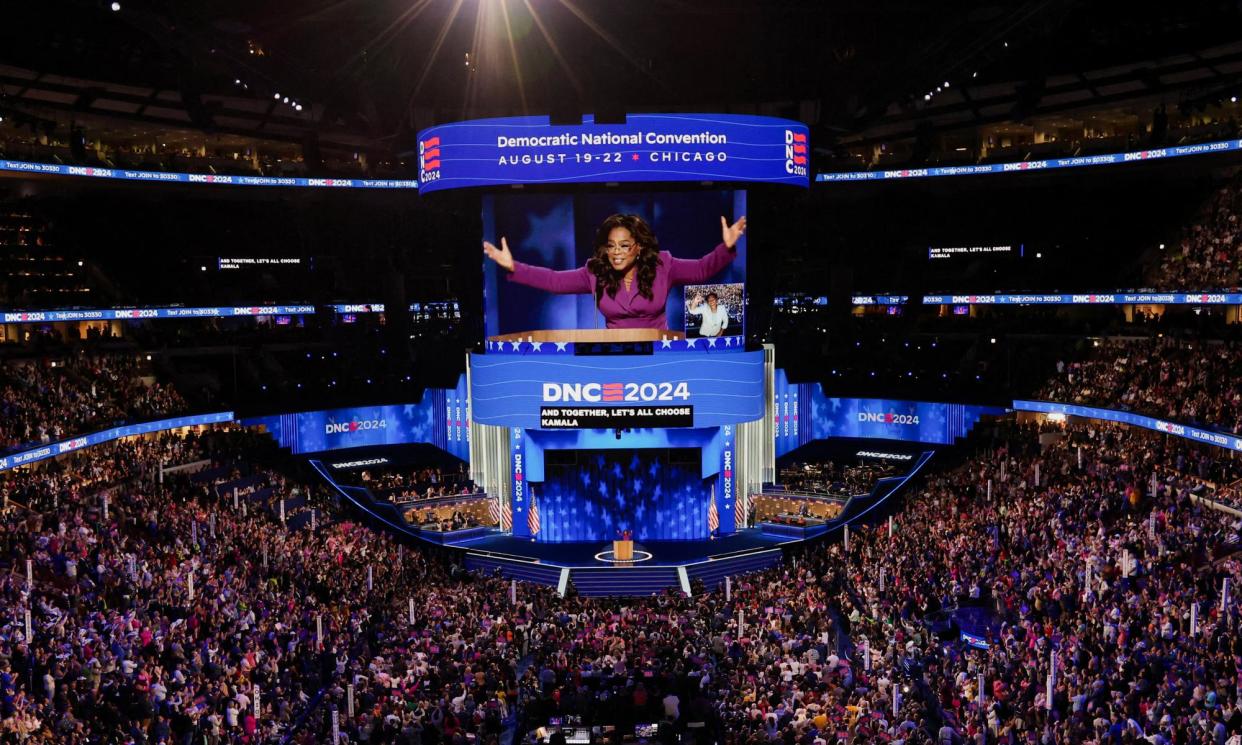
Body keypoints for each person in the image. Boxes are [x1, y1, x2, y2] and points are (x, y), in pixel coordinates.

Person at [482, 213, 745, 330]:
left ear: (639, 248)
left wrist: (727, 246)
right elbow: (554, 281)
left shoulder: (664, 264)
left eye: (624, 245)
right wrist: (514, 266)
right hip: (616, 354)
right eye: (611, 246)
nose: (616, 252)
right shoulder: (595, 272)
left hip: (659, 354)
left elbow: (701, 270)